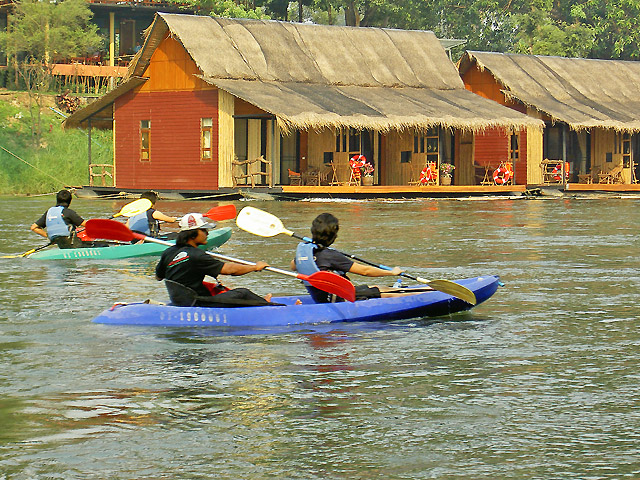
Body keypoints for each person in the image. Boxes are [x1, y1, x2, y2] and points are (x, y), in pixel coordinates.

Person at [156, 213, 279, 308]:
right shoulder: (197, 255)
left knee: (218, 289)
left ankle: (260, 302)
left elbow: (159, 277)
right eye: (204, 230)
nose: (207, 233)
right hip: (198, 303)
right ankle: (268, 306)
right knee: (242, 293)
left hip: (180, 301)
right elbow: (229, 270)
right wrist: (255, 267)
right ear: (193, 234)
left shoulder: (169, 252)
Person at [292, 212, 405, 303]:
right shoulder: (330, 255)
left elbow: (293, 266)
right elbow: (365, 271)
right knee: (388, 292)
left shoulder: (306, 252)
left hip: (322, 298)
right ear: (333, 236)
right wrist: (392, 272)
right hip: (341, 299)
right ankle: (421, 296)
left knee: (379, 287)